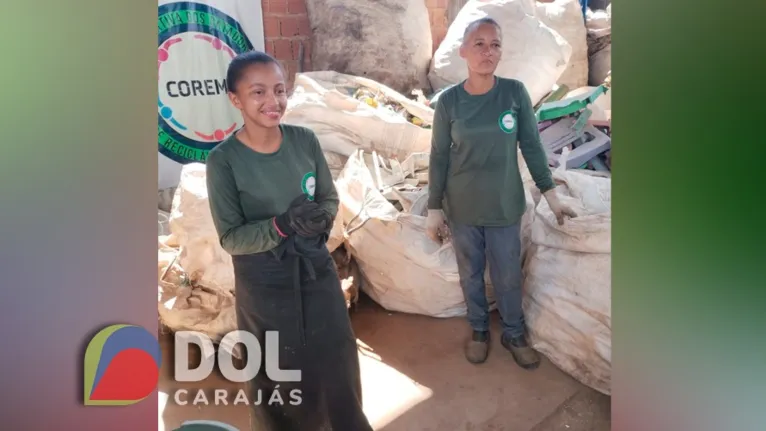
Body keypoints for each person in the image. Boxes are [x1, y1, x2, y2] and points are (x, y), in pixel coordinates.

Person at [205, 50, 373, 431]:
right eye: (258, 92)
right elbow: (232, 238)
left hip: (315, 270)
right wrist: (281, 226)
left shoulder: (304, 141)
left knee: (336, 361)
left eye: (280, 90)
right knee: (278, 375)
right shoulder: (224, 161)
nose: (273, 101)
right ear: (235, 99)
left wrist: (318, 220)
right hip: (265, 284)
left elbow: (328, 197)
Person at [426, 18, 577, 369]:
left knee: (508, 274)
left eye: (495, 44)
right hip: (462, 206)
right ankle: (479, 330)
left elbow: (532, 147)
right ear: (463, 51)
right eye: (479, 44)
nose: (487, 52)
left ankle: (513, 332)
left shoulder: (513, 93)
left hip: (505, 206)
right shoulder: (449, 102)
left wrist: (552, 196)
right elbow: (439, 156)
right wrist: (435, 207)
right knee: (471, 273)